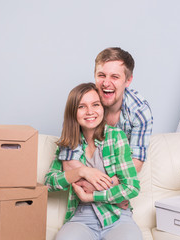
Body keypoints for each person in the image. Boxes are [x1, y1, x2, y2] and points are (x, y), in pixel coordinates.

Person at [44, 83, 142, 240]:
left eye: (95, 104)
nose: (90, 112)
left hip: (117, 216)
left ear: (102, 107)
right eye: (82, 106)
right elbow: (49, 183)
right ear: (73, 112)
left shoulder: (116, 137)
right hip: (81, 218)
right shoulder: (68, 144)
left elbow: (131, 187)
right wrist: (82, 172)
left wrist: (92, 196)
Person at [59, 47, 153, 177]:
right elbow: (69, 160)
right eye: (101, 75)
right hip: (85, 177)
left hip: (117, 182)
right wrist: (90, 178)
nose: (106, 83)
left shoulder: (139, 111)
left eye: (115, 77)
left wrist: (102, 188)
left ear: (128, 80)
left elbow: (135, 162)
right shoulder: (82, 103)